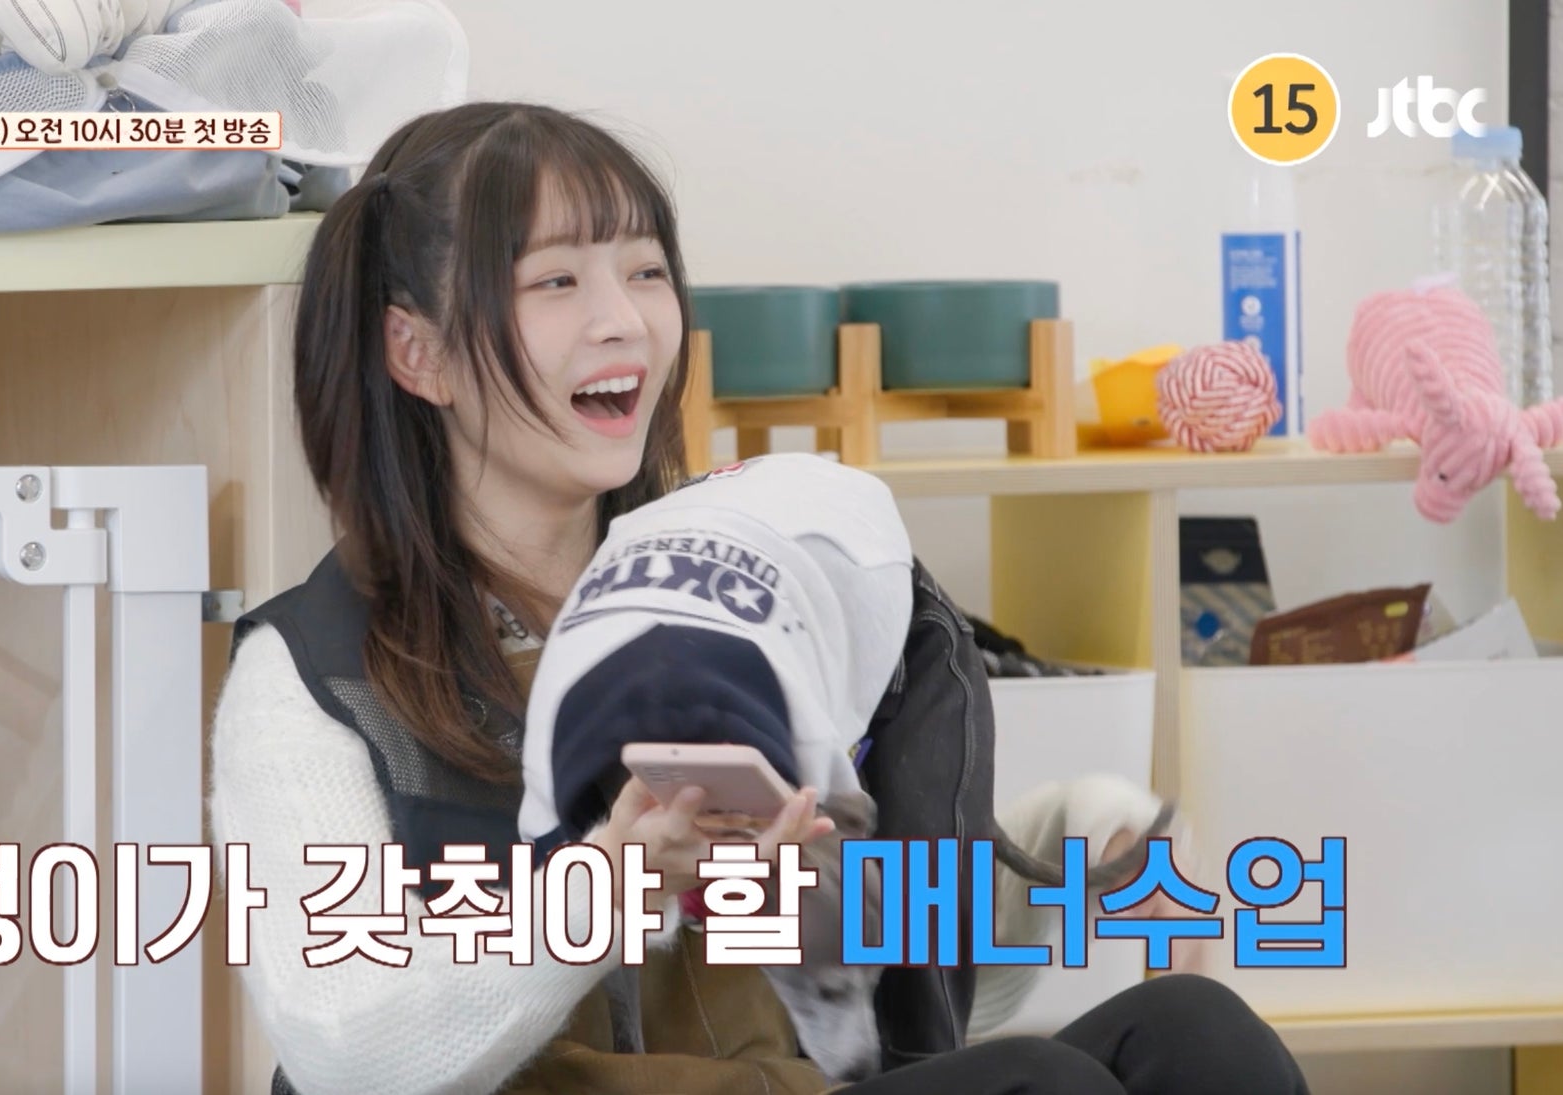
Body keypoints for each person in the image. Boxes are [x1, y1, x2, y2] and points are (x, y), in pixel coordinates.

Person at [208, 99, 1313, 1095]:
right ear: (420, 354)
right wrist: (601, 893)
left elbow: (875, 960)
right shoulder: (307, 676)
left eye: (645, 272)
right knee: (1040, 1087)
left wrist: (1076, 842)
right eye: (556, 282)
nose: (624, 321)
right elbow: (347, 1049)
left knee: (1195, 1031)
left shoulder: (739, 586)